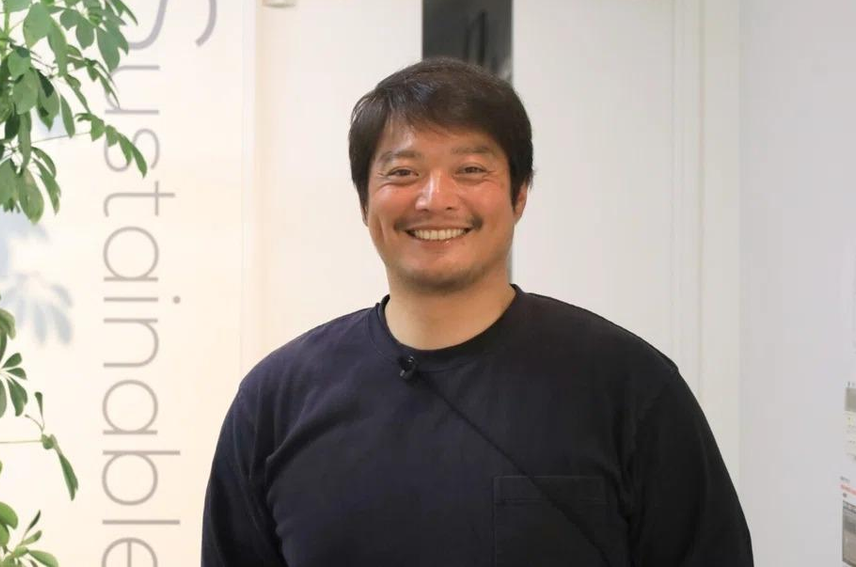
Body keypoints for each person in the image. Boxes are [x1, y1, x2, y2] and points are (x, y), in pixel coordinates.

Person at [200, 57, 753, 566]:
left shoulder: (629, 387)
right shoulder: (275, 402)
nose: (435, 198)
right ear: (364, 200)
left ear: (520, 194)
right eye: (402, 172)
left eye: (470, 169)